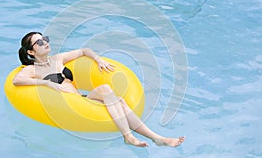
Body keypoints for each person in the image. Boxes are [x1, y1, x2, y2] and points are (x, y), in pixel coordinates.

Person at [13, 31, 185, 148]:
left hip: (83, 99)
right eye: (39, 42)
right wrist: (47, 83)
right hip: (70, 106)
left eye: (45, 39)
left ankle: (144, 137)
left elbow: (84, 50)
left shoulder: (58, 59)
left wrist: (99, 60)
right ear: (31, 51)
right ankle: (150, 137)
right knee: (117, 99)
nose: (45, 43)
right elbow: (17, 80)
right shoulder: (31, 70)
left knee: (114, 97)